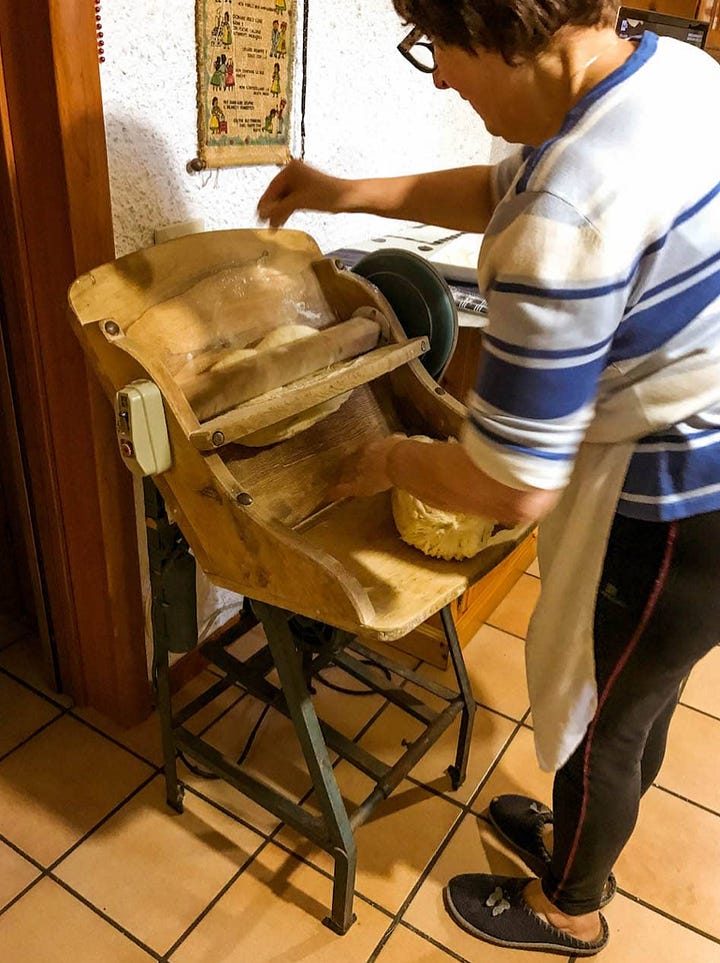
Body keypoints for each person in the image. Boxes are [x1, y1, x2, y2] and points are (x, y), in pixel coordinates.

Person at [257, 0, 720, 955]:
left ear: (508, 29)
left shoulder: (568, 213)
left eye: (440, 44)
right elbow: (501, 191)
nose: (436, 77)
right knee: (640, 694)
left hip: (684, 506)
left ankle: (570, 906)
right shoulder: (671, 76)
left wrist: (378, 459)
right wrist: (340, 192)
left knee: (607, 716)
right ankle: (579, 842)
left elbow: (513, 486)